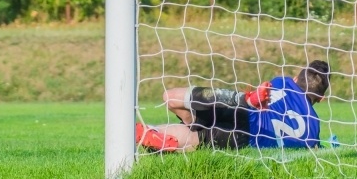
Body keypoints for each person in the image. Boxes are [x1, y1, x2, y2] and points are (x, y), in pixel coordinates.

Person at [136, 60, 330, 152]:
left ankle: (191, 120)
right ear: (320, 99)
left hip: (244, 111)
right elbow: (314, 148)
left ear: (296, 78)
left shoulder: (283, 82)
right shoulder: (314, 125)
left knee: (170, 97)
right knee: (198, 138)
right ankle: (156, 133)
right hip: (248, 138)